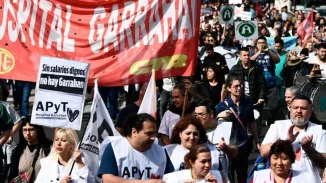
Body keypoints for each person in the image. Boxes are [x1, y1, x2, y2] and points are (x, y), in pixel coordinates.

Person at [260, 95, 326, 183]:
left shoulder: (319, 131)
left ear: (310, 112)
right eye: (295, 108)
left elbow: (323, 163)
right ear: (290, 109)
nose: (299, 111)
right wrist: (286, 142)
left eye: (303, 108)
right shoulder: (277, 126)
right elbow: (264, 152)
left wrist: (308, 149)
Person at [99, 113, 172, 182]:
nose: (153, 138)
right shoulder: (115, 148)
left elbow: (171, 178)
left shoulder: (161, 152)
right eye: (149, 133)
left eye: (155, 133)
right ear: (134, 132)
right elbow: (107, 180)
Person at [215, 75, 260, 183]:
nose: (239, 88)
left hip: (243, 144)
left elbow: (252, 122)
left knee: (242, 175)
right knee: (228, 175)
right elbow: (217, 127)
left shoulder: (247, 103)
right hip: (228, 146)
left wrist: (257, 141)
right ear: (229, 88)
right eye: (236, 86)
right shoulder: (222, 106)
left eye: (240, 86)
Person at [194, 99, 238, 181]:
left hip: (223, 178)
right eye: (195, 114)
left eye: (201, 114)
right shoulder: (193, 132)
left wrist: (225, 148)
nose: (197, 118)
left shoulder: (226, 128)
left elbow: (234, 152)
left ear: (211, 114)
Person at [8, 117, 52, 182]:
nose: (28, 133)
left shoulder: (49, 149)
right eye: (25, 130)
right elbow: (12, 175)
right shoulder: (18, 150)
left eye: (31, 129)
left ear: (38, 130)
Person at [250, 36, 280, 126]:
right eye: (260, 43)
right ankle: (257, 126)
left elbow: (277, 60)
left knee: (273, 108)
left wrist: (268, 52)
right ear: (256, 44)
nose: (262, 44)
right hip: (258, 87)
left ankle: (270, 122)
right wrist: (259, 52)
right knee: (258, 109)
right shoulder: (252, 52)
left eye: (263, 43)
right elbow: (250, 61)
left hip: (271, 85)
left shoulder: (271, 52)